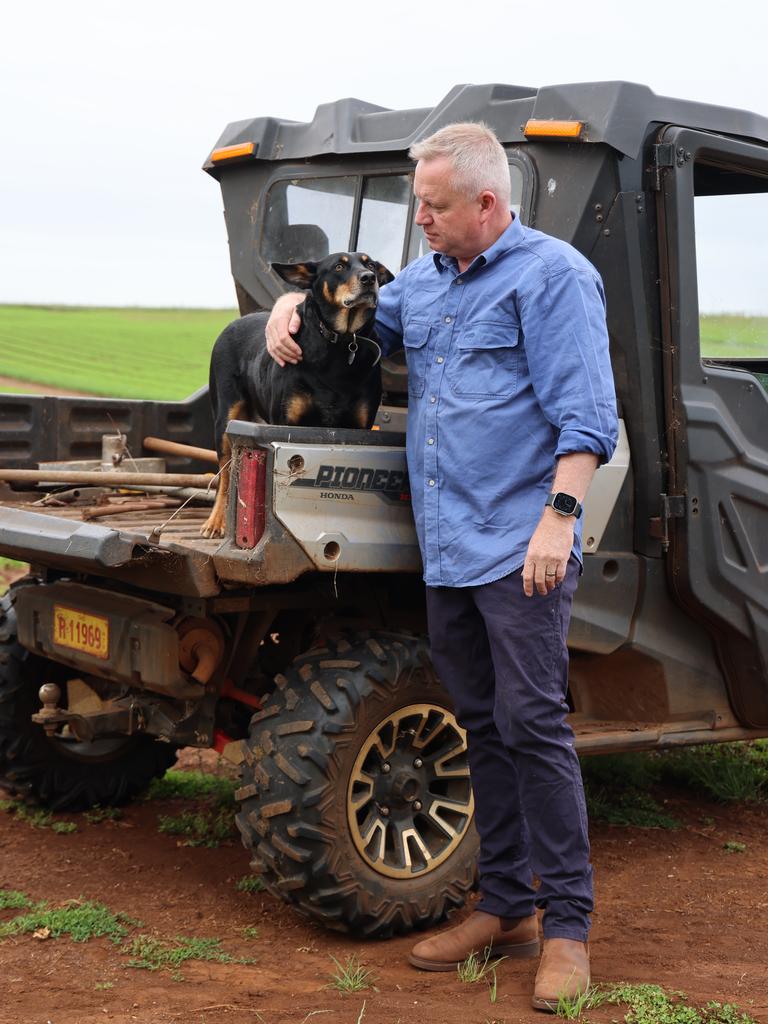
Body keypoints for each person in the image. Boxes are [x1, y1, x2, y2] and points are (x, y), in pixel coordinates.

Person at [266, 122, 618, 1012]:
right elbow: (338, 312)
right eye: (417, 202)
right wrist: (279, 310)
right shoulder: (422, 285)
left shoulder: (554, 278)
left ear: (488, 204)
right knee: (481, 726)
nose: (418, 218)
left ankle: (567, 929)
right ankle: (506, 908)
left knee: (534, 726)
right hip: (449, 549)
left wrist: (558, 521)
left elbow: (588, 419)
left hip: (521, 545)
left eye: (433, 205)